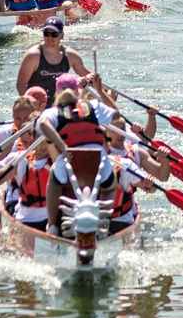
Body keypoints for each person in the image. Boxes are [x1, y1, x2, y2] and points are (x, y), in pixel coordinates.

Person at [34, 77, 120, 236]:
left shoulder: (53, 112)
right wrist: (100, 90)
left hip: (69, 161)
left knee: (54, 179)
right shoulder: (93, 106)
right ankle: (104, 223)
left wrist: (61, 145)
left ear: (57, 93)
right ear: (77, 91)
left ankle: (52, 225)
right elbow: (116, 114)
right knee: (110, 185)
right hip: (98, 163)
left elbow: (44, 124)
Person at [0, 117, 51, 230]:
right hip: (26, 218)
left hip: (51, 220)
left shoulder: (58, 161)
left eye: (46, 142)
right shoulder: (20, 160)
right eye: (40, 142)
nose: (43, 147)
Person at [16, 16, 91, 107]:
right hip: (38, 107)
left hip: (61, 107)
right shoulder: (33, 56)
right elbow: (21, 85)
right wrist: (31, 109)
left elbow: (90, 78)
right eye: (46, 33)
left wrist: (104, 91)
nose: (50, 37)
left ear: (62, 35)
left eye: (54, 34)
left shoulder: (71, 56)